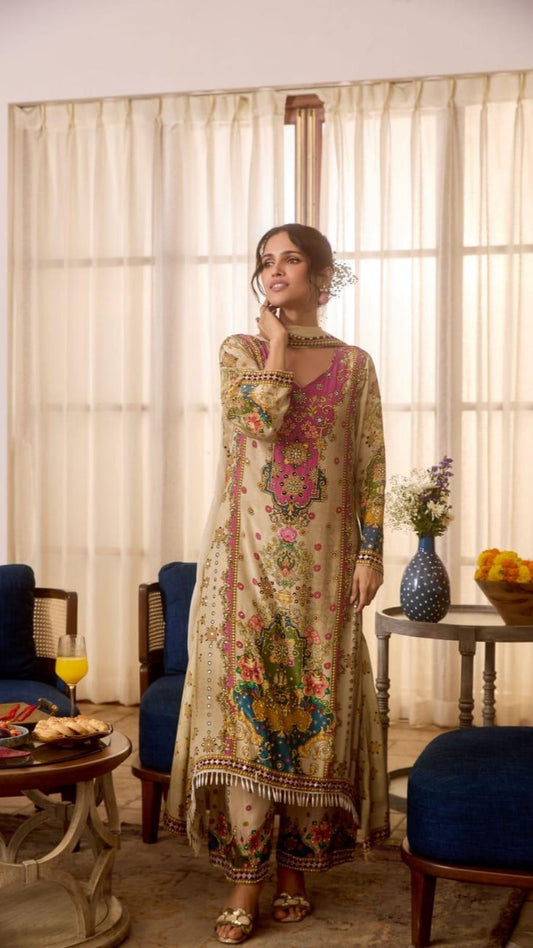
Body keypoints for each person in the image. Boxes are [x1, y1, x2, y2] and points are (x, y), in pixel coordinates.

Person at [164, 223, 389, 944]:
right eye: (265, 261)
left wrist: (370, 551)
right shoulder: (240, 353)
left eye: (290, 259)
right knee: (247, 716)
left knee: (313, 715)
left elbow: (369, 464)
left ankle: (295, 868)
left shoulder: (355, 366)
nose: (274, 271)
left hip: (324, 568)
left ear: (322, 276)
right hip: (244, 567)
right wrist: (277, 344)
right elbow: (260, 425)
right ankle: (245, 877)